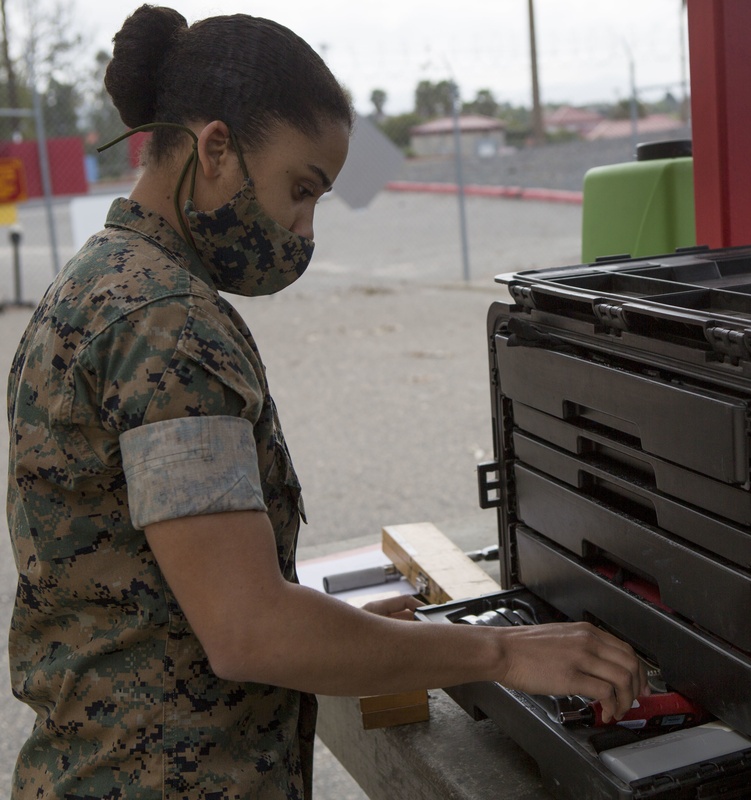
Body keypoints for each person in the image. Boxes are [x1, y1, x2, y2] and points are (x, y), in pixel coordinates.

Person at [5, 5, 646, 798]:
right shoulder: (164, 324)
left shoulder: (100, 279)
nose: (305, 229)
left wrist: (348, 632)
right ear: (215, 149)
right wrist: (508, 653)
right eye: (299, 190)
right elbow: (249, 631)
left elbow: (173, 591)